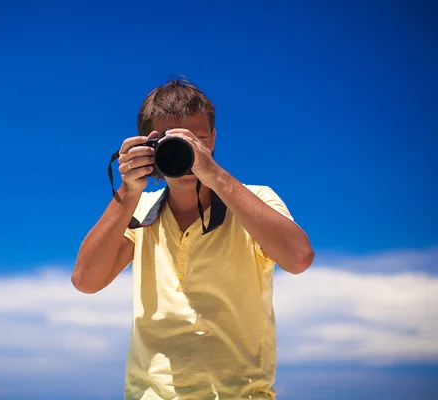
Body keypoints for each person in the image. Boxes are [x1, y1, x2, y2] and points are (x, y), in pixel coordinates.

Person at [71, 76, 314, 399]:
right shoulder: (139, 210)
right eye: (169, 142)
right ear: (146, 145)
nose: (183, 151)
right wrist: (129, 189)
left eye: (195, 139)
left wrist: (214, 175)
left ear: (213, 139)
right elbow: (87, 280)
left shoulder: (255, 199)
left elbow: (298, 259)